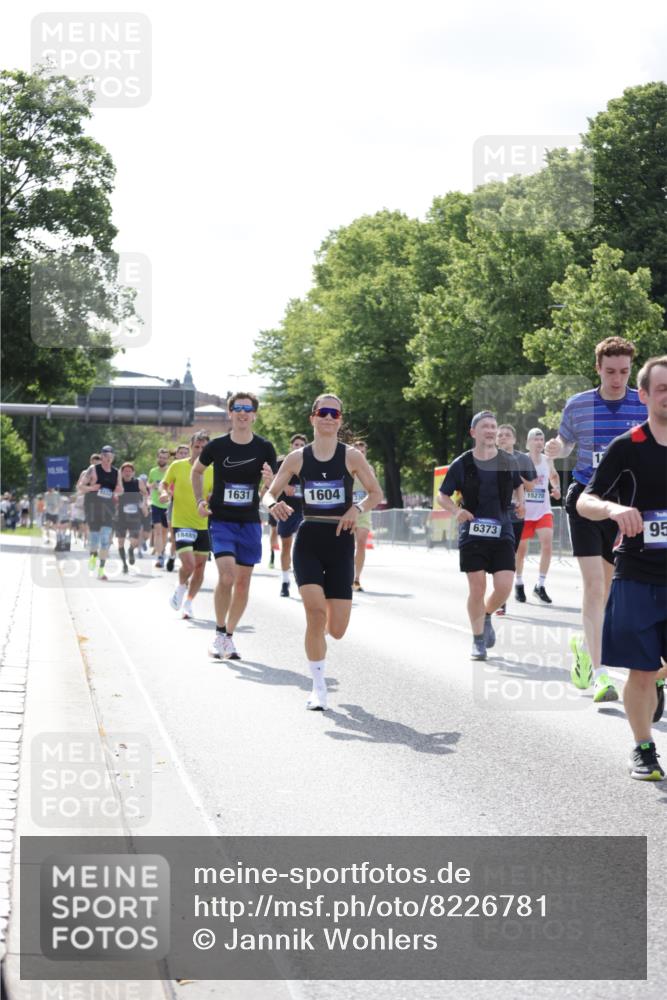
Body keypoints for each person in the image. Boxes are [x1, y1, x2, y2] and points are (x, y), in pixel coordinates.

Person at [576, 355, 667, 779]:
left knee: (652, 670)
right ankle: (644, 747)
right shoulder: (627, 446)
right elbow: (584, 500)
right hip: (638, 574)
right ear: (644, 395)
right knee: (641, 670)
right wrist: (613, 508)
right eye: (661, 389)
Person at [545, 336, 648, 703]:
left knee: (615, 592)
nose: (618, 378)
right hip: (587, 500)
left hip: (629, 507)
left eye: (624, 371)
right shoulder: (579, 405)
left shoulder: (644, 401)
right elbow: (567, 444)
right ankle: (603, 677)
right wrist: (558, 448)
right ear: (598, 369)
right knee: (594, 588)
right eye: (610, 372)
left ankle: (586, 648)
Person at [264, 394, 382, 710]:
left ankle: (320, 643)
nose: (329, 417)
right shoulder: (297, 458)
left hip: (341, 541)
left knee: (337, 630)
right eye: (323, 412)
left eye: (335, 413)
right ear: (312, 418)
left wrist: (356, 509)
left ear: (340, 420)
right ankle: (318, 688)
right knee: (315, 614)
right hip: (310, 539)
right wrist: (274, 505)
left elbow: (376, 493)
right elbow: (268, 494)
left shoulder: (352, 457)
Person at [191, 392, 277, 660]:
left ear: (254, 415)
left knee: (242, 584)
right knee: (226, 576)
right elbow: (197, 471)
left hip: (250, 522)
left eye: (247, 409)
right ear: (230, 413)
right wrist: (199, 501)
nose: (242, 413)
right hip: (221, 520)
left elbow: (270, 490)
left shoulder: (265, 448)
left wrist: (269, 481)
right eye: (237, 408)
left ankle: (229, 636)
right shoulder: (217, 446)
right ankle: (218, 633)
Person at [437, 411, 524, 661]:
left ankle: (485, 614)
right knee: (477, 588)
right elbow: (442, 495)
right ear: (473, 432)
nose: (490, 430)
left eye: (493, 426)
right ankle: (477, 641)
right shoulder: (462, 463)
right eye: (484, 426)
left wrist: (521, 502)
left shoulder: (508, 461)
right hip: (473, 533)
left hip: (503, 530)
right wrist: (456, 510)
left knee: (504, 587)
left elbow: (518, 484)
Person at [161, 431, 213, 619]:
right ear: (191, 447)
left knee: (200, 568)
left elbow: (213, 494)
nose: (200, 451)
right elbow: (164, 484)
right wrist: (165, 493)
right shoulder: (178, 465)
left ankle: (189, 603)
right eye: (196, 447)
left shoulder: (212, 470)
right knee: (189, 564)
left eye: (204, 448)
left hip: (202, 524)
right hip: (181, 522)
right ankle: (181, 587)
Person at [514, 427, 561, 604]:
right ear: (528, 442)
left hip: (543, 510)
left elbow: (554, 476)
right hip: (525, 512)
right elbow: (515, 483)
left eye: (541, 439)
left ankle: (540, 585)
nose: (539, 442)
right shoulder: (521, 460)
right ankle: (518, 582)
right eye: (535, 439)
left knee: (547, 544)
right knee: (521, 550)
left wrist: (556, 489)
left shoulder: (547, 460)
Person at [495, 424, 538, 613]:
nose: (503, 438)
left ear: (514, 439)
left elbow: (531, 487)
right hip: (495, 513)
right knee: (498, 556)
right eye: (500, 435)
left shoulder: (523, 459)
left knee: (508, 557)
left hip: (516, 514)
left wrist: (516, 476)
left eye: (507, 435)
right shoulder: (489, 458)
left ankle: (501, 596)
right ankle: (500, 597)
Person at [78, 445, 122, 580]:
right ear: (101, 456)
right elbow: (80, 487)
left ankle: (101, 570)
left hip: (108, 508)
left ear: (113, 458)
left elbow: (120, 490)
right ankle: (92, 556)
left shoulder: (116, 472)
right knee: (95, 538)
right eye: (105, 456)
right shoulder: (93, 470)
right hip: (92, 506)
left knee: (105, 539)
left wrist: (117, 491)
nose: (108, 459)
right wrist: (92, 487)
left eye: (110, 457)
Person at [275, 434, 308, 597]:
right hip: (286, 509)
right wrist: (284, 486)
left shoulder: (310, 462)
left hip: (305, 510)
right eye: (296, 444)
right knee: (286, 545)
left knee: (304, 547)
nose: (298, 447)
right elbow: (271, 482)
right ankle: (285, 581)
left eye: (302, 444)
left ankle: (303, 579)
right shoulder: (282, 462)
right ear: (291, 446)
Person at [351, 440, 379, 592]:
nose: (360, 450)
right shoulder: (346, 465)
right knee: (347, 545)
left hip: (364, 510)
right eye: (357, 448)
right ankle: (345, 574)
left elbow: (374, 490)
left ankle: (356, 578)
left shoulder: (369, 468)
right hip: (347, 511)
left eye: (362, 448)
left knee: (361, 543)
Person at [115, 462, 149, 574]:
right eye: (125, 471)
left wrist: (143, 505)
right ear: (122, 472)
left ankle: (131, 550)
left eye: (130, 471)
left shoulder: (138, 482)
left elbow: (145, 494)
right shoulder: (118, 483)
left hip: (135, 515)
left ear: (133, 472)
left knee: (134, 541)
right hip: (121, 516)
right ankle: (124, 564)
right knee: (120, 542)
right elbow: (113, 495)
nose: (127, 473)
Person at [148, 448, 171, 568]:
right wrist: (152, 485)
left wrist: (167, 492)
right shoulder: (153, 471)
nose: (162, 460)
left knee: (164, 532)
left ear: (168, 459)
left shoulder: (170, 471)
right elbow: (149, 483)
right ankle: (160, 556)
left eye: (164, 458)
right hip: (156, 504)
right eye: (160, 457)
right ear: (157, 458)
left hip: (167, 505)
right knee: (157, 531)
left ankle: (163, 551)